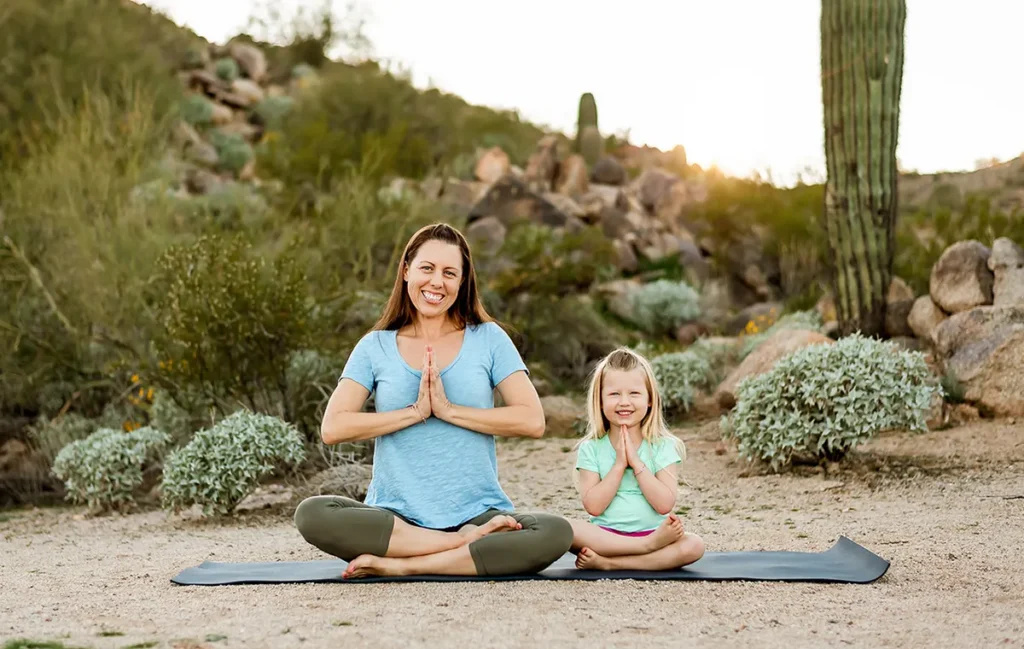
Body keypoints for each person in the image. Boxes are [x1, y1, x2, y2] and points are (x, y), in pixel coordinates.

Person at [294, 223, 573, 578]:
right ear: (407, 269)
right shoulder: (375, 346)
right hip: (397, 519)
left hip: (477, 513)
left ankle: (401, 565)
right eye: (427, 268)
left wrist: (448, 411)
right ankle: (457, 546)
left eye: (449, 273)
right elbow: (333, 427)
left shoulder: (488, 339)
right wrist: (415, 413)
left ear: (462, 281)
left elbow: (532, 420)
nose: (436, 282)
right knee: (312, 514)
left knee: (554, 532)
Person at [569, 347, 705, 571]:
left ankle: (610, 564)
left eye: (634, 394)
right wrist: (620, 464)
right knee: (568, 530)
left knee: (694, 545)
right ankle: (641, 550)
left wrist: (637, 463)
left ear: (649, 400)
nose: (624, 402)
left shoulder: (663, 446)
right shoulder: (590, 448)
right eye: (614, 394)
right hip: (606, 539)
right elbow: (593, 506)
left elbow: (664, 505)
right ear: (600, 401)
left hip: (655, 536)